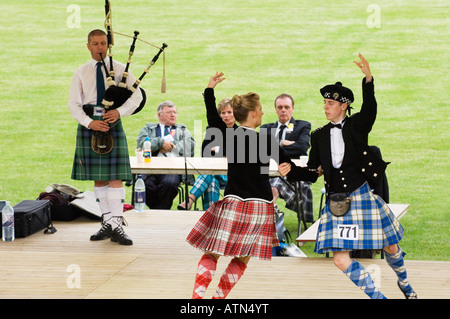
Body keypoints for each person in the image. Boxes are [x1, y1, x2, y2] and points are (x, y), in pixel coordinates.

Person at [279, 54, 417, 299]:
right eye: (323, 102)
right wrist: (292, 169)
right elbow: (314, 172)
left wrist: (368, 79)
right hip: (337, 203)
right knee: (341, 260)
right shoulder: (318, 136)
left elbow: (370, 109)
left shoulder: (356, 126)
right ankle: (378, 297)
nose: (324, 106)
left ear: (343, 105)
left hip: (363, 197)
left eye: (329, 103)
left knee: (391, 246)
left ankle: (405, 283)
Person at [186, 72, 319, 299]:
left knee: (212, 253)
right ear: (252, 114)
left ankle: (197, 299)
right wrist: (316, 172)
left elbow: (211, 118)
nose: (263, 113)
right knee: (242, 257)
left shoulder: (230, 136)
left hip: (234, 201)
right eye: (260, 110)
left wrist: (209, 90)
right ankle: (218, 299)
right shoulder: (266, 140)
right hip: (260, 206)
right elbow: (292, 169)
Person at [69, 29, 143, 245]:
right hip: (90, 123)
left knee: (115, 177)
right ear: (88, 46)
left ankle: (118, 224)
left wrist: (120, 112)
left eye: (103, 43)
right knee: (99, 177)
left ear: (108, 45)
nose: (100, 47)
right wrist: (89, 122)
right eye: (95, 43)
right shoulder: (81, 72)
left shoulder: (121, 69)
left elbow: (137, 96)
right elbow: (74, 103)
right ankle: (107, 222)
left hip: (112, 121)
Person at [260, 94, 314, 221]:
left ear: (292, 108)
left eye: (286, 107)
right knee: (272, 185)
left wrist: (273, 150)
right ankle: (266, 216)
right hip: (270, 173)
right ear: (275, 109)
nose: (283, 110)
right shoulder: (266, 129)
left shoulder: (302, 126)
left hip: (294, 172)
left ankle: (267, 216)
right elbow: (262, 153)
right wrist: (286, 144)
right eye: (280, 107)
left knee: (277, 183)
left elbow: (302, 147)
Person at [178, 98, 238, 211]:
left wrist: (219, 150)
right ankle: (213, 216)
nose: (226, 115)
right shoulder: (212, 130)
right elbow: (205, 152)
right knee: (211, 181)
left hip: (231, 176)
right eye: (223, 113)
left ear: (235, 114)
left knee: (208, 174)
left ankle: (190, 200)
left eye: (229, 112)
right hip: (214, 173)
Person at [136, 101, 195, 209]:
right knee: (144, 184)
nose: (173, 115)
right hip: (150, 167)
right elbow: (141, 144)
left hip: (173, 168)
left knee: (169, 184)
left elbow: (189, 147)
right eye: (169, 112)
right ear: (159, 115)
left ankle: (159, 211)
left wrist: (170, 146)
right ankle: (160, 210)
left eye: (175, 112)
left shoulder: (182, 130)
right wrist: (160, 143)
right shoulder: (148, 129)